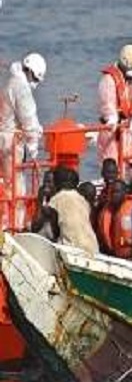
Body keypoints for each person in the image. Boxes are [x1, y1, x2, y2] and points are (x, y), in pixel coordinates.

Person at [0, 52, 46, 229]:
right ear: (31, 72)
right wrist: (33, 145)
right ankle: (14, 226)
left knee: (6, 183)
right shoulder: (21, 87)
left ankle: (6, 222)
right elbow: (28, 118)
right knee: (17, 188)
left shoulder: (11, 80)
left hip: (5, 139)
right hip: (12, 144)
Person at [97, 44, 132, 175]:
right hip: (112, 133)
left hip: (126, 133)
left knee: (128, 167)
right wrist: (113, 120)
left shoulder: (129, 82)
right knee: (111, 167)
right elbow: (107, 104)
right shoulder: (108, 80)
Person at [96, 179, 132, 264]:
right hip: (118, 256)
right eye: (112, 192)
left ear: (125, 193)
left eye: (117, 192)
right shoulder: (107, 212)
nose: (114, 195)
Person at [48, 166, 99, 255]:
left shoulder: (56, 199)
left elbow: (55, 231)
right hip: (92, 247)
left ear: (57, 183)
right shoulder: (82, 199)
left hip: (73, 248)